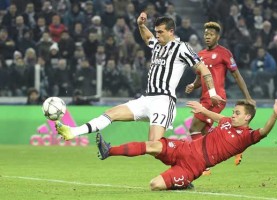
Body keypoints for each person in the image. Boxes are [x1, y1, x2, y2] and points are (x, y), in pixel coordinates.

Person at [55, 13, 224, 142]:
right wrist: (140, 24)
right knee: (110, 113)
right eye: (156, 31)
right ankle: (73, 132)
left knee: (154, 145)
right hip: (146, 99)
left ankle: (185, 166)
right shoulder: (158, 45)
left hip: (164, 101)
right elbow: (147, 37)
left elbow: (204, 69)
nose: (157, 35)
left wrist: (213, 92)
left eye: (161, 32)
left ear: (171, 32)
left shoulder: (182, 48)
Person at [96, 98, 277, 190]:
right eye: (233, 111)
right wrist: (201, 109)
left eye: (237, 113)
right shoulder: (226, 122)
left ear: (247, 117)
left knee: (154, 185)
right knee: (153, 145)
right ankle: (108, 150)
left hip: (193, 166)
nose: (233, 115)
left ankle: (182, 183)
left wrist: (274, 115)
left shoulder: (247, 136)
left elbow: (264, 131)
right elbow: (217, 116)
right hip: (184, 148)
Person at [185, 22, 255, 168]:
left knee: (194, 129)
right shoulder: (200, 55)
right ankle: (236, 146)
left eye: (211, 34)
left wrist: (247, 97)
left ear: (218, 36)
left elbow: (236, 76)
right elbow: (200, 78)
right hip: (204, 97)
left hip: (216, 98)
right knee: (205, 131)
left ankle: (202, 163)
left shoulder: (225, 53)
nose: (207, 37)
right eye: (206, 34)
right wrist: (193, 85)